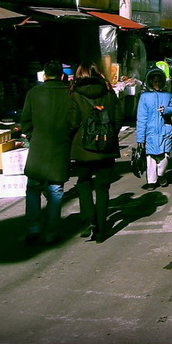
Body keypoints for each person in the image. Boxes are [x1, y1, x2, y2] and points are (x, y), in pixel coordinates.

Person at [69, 62, 123, 243]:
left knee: (83, 182)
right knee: (102, 189)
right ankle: (101, 231)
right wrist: (108, 137)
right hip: (106, 148)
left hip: (83, 149)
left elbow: (73, 122)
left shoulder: (75, 94)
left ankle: (89, 218)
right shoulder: (109, 92)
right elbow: (117, 119)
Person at [20, 60, 73, 245]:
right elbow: (74, 122)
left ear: (44, 75)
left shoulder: (34, 93)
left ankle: (33, 228)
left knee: (33, 189)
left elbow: (25, 122)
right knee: (56, 192)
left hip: (38, 149)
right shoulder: (69, 93)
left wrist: (34, 136)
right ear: (62, 75)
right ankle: (51, 232)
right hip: (60, 148)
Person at [135, 68, 172, 190]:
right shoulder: (144, 97)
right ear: (150, 82)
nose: (157, 84)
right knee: (150, 158)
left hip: (165, 131)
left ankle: (161, 174)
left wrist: (166, 110)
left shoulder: (168, 95)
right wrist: (140, 138)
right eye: (155, 82)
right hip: (149, 132)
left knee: (164, 156)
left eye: (159, 81)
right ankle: (151, 181)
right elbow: (141, 118)